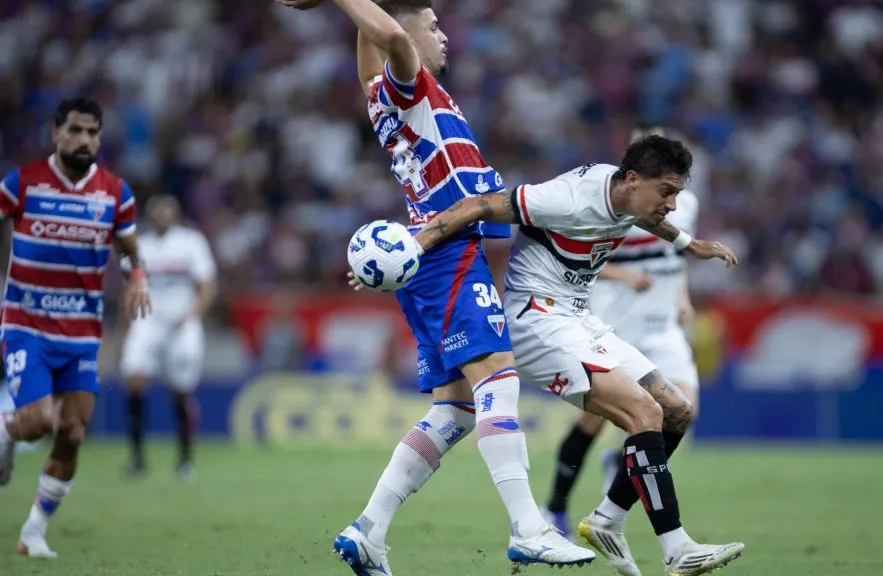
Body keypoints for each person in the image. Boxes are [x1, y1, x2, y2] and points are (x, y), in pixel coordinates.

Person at [275, 0, 594, 573]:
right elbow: (390, 39)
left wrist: (356, 14)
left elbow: (374, 46)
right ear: (407, 30)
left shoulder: (387, 95)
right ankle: (529, 528)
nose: (443, 35)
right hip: (446, 257)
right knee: (497, 378)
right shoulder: (409, 88)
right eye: (434, 24)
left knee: (456, 410)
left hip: (436, 260)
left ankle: (368, 530)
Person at [407, 135, 745, 576]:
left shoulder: (627, 197)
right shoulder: (565, 199)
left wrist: (687, 244)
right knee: (643, 412)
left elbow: (644, 214)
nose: (672, 204)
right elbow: (479, 206)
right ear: (632, 178)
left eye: (677, 194)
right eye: (667, 192)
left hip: (577, 317)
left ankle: (607, 519)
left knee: (676, 412)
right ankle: (677, 549)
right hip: (536, 318)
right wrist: (413, 248)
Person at [0, 97, 151, 558]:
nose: (84, 140)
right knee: (37, 422)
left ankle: (33, 532)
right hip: (27, 324)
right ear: (56, 133)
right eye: (76, 131)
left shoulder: (114, 192)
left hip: (82, 333)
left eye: (92, 133)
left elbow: (128, 248)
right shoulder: (22, 183)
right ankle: (7, 431)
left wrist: (138, 276)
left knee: (72, 433)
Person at [542, 127, 703, 536]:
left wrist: (682, 295)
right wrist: (622, 275)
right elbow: (579, 259)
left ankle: (616, 494)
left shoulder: (684, 204)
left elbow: (676, 252)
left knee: (681, 410)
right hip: (616, 320)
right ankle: (555, 505)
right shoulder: (614, 203)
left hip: (663, 321)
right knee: (594, 423)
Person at [119, 194, 217, 481]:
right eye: (157, 209)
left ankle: (185, 459)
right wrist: (124, 330)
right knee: (135, 380)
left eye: (167, 209)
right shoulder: (139, 246)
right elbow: (130, 289)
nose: (162, 214)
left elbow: (207, 284)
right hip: (147, 321)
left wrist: (192, 314)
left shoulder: (190, 242)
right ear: (150, 214)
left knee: (181, 391)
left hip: (181, 322)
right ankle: (137, 458)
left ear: (176, 213)